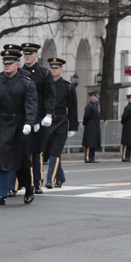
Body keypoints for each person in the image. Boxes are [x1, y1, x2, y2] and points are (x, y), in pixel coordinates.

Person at [0, 44, 37, 205]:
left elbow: (31, 105)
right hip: (1, 125)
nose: (7, 66)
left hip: (20, 126)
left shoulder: (27, 83)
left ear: (17, 64)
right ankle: (1, 194)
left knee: (21, 162)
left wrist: (29, 123)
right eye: (5, 63)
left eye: (11, 63)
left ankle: (28, 187)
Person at [19, 42, 55, 193]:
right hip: (23, 117)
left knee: (36, 151)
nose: (27, 56)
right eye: (25, 53)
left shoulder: (44, 73)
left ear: (36, 55)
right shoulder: (19, 72)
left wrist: (48, 115)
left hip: (39, 117)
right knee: (22, 150)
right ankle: (22, 181)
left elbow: (50, 96)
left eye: (30, 53)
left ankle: (37, 181)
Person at [43, 58, 78, 188]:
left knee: (55, 151)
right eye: (52, 67)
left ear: (62, 69)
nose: (54, 70)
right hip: (48, 121)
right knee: (48, 151)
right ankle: (60, 176)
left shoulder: (68, 86)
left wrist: (73, 126)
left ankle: (49, 180)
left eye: (56, 68)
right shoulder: (46, 84)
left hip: (62, 121)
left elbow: (73, 108)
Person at [82, 91, 101, 162]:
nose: (97, 98)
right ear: (92, 97)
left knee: (93, 143)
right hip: (90, 127)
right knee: (89, 143)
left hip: (94, 127)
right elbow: (86, 117)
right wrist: (86, 124)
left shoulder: (95, 106)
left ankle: (92, 157)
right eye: (96, 97)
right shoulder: (89, 106)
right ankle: (88, 157)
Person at [120, 93, 131, 162]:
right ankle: (125, 157)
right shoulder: (128, 108)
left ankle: (128, 156)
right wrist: (126, 124)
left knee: (130, 143)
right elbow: (124, 117)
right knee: (127, 143)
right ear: (129, 99)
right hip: (128, 128)